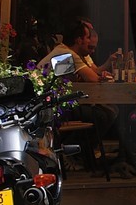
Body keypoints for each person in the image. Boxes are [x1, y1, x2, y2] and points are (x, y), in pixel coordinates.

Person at [41, 19, 120, 164]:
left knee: (106, 111)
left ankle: (81, 153)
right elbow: (93, 79)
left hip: (51, 105)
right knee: (104, 115)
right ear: (79, 40)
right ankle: (76, 153)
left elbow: (71, 79)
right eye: (88, 37)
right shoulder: (67, 54)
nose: (90, 41)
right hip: (52, 108)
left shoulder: (63, 51)